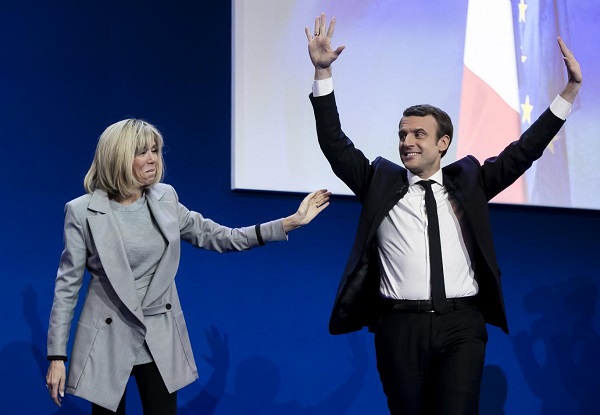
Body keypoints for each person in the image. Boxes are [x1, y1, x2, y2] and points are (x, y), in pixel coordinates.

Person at [305, 12, 582, 415]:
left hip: (461, 324)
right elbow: (334, 142)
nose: (407, 142)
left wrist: (569, 93)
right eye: (402, 134)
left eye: (418, 134)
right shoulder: (378, 181)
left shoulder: (469, 181)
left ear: (443, 143)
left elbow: (525, 151)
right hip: (399, 326)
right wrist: (322, 74)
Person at [45, 118, 332, 414]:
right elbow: (67, 288)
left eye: (155, 151)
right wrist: (57, 356)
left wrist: (289, 223)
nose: (152, 159)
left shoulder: (166, 198)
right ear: (117, 157)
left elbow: (220, 236)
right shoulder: (82, 212)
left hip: (158, 334)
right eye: (142, 152)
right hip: (107, 336)